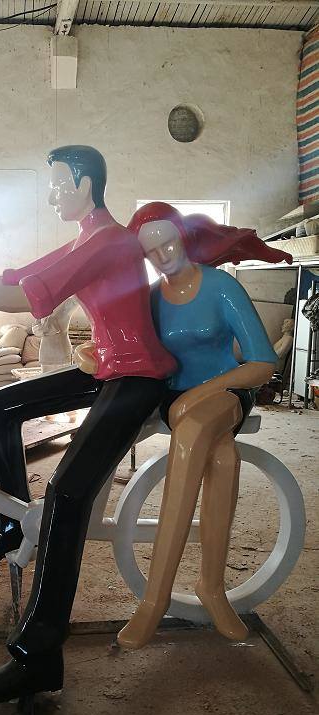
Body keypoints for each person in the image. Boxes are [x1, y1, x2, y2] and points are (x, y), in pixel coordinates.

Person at [0, 146, 176, 703]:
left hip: (137, 377)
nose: (52, 196)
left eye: (57, 185)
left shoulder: (109, 241)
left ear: (84, 184)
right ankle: (13, 524)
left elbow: (27, 296)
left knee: (67, 494)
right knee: (1, 406)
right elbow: (20, 276)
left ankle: (39, 654)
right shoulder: (85, 239)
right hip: (105, 367)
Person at [116, 202, 291, 649]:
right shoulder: (150, 298)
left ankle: (154, 601)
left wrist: (197, 396)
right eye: (150, 251)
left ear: (183, 237)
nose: (162, 256)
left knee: (193, 434)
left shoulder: (221, 286)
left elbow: (263, 363)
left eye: (168, 243)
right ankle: (210, 587)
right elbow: (137, 352)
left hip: (226, 391)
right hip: (172, 396)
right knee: (224, 458)